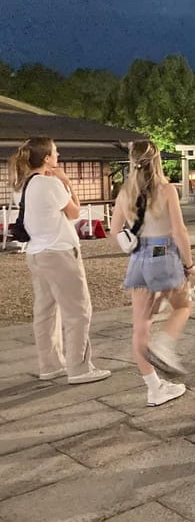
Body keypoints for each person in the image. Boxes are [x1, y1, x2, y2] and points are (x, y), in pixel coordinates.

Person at [10, 137, 111, 385]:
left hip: (36, 252)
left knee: (45, 311)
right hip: (60, 252)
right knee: (78, 310)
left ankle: (50, 365)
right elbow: (75, 212)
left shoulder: (21, 186)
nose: (58, 155)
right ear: (46, 158)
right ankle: (79, 368)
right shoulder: (49, 184)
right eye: (55, 152)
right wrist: (66, 181)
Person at [111, 140, 195, 406]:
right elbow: (179, 231)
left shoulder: (124, 192)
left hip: (138, 258)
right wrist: (189, 264)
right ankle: (164, 345)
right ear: (157, 160)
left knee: (140, 326)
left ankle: (153, 387)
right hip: (164, 254)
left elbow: (115, 228)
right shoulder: (166, 190)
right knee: (184, 305)